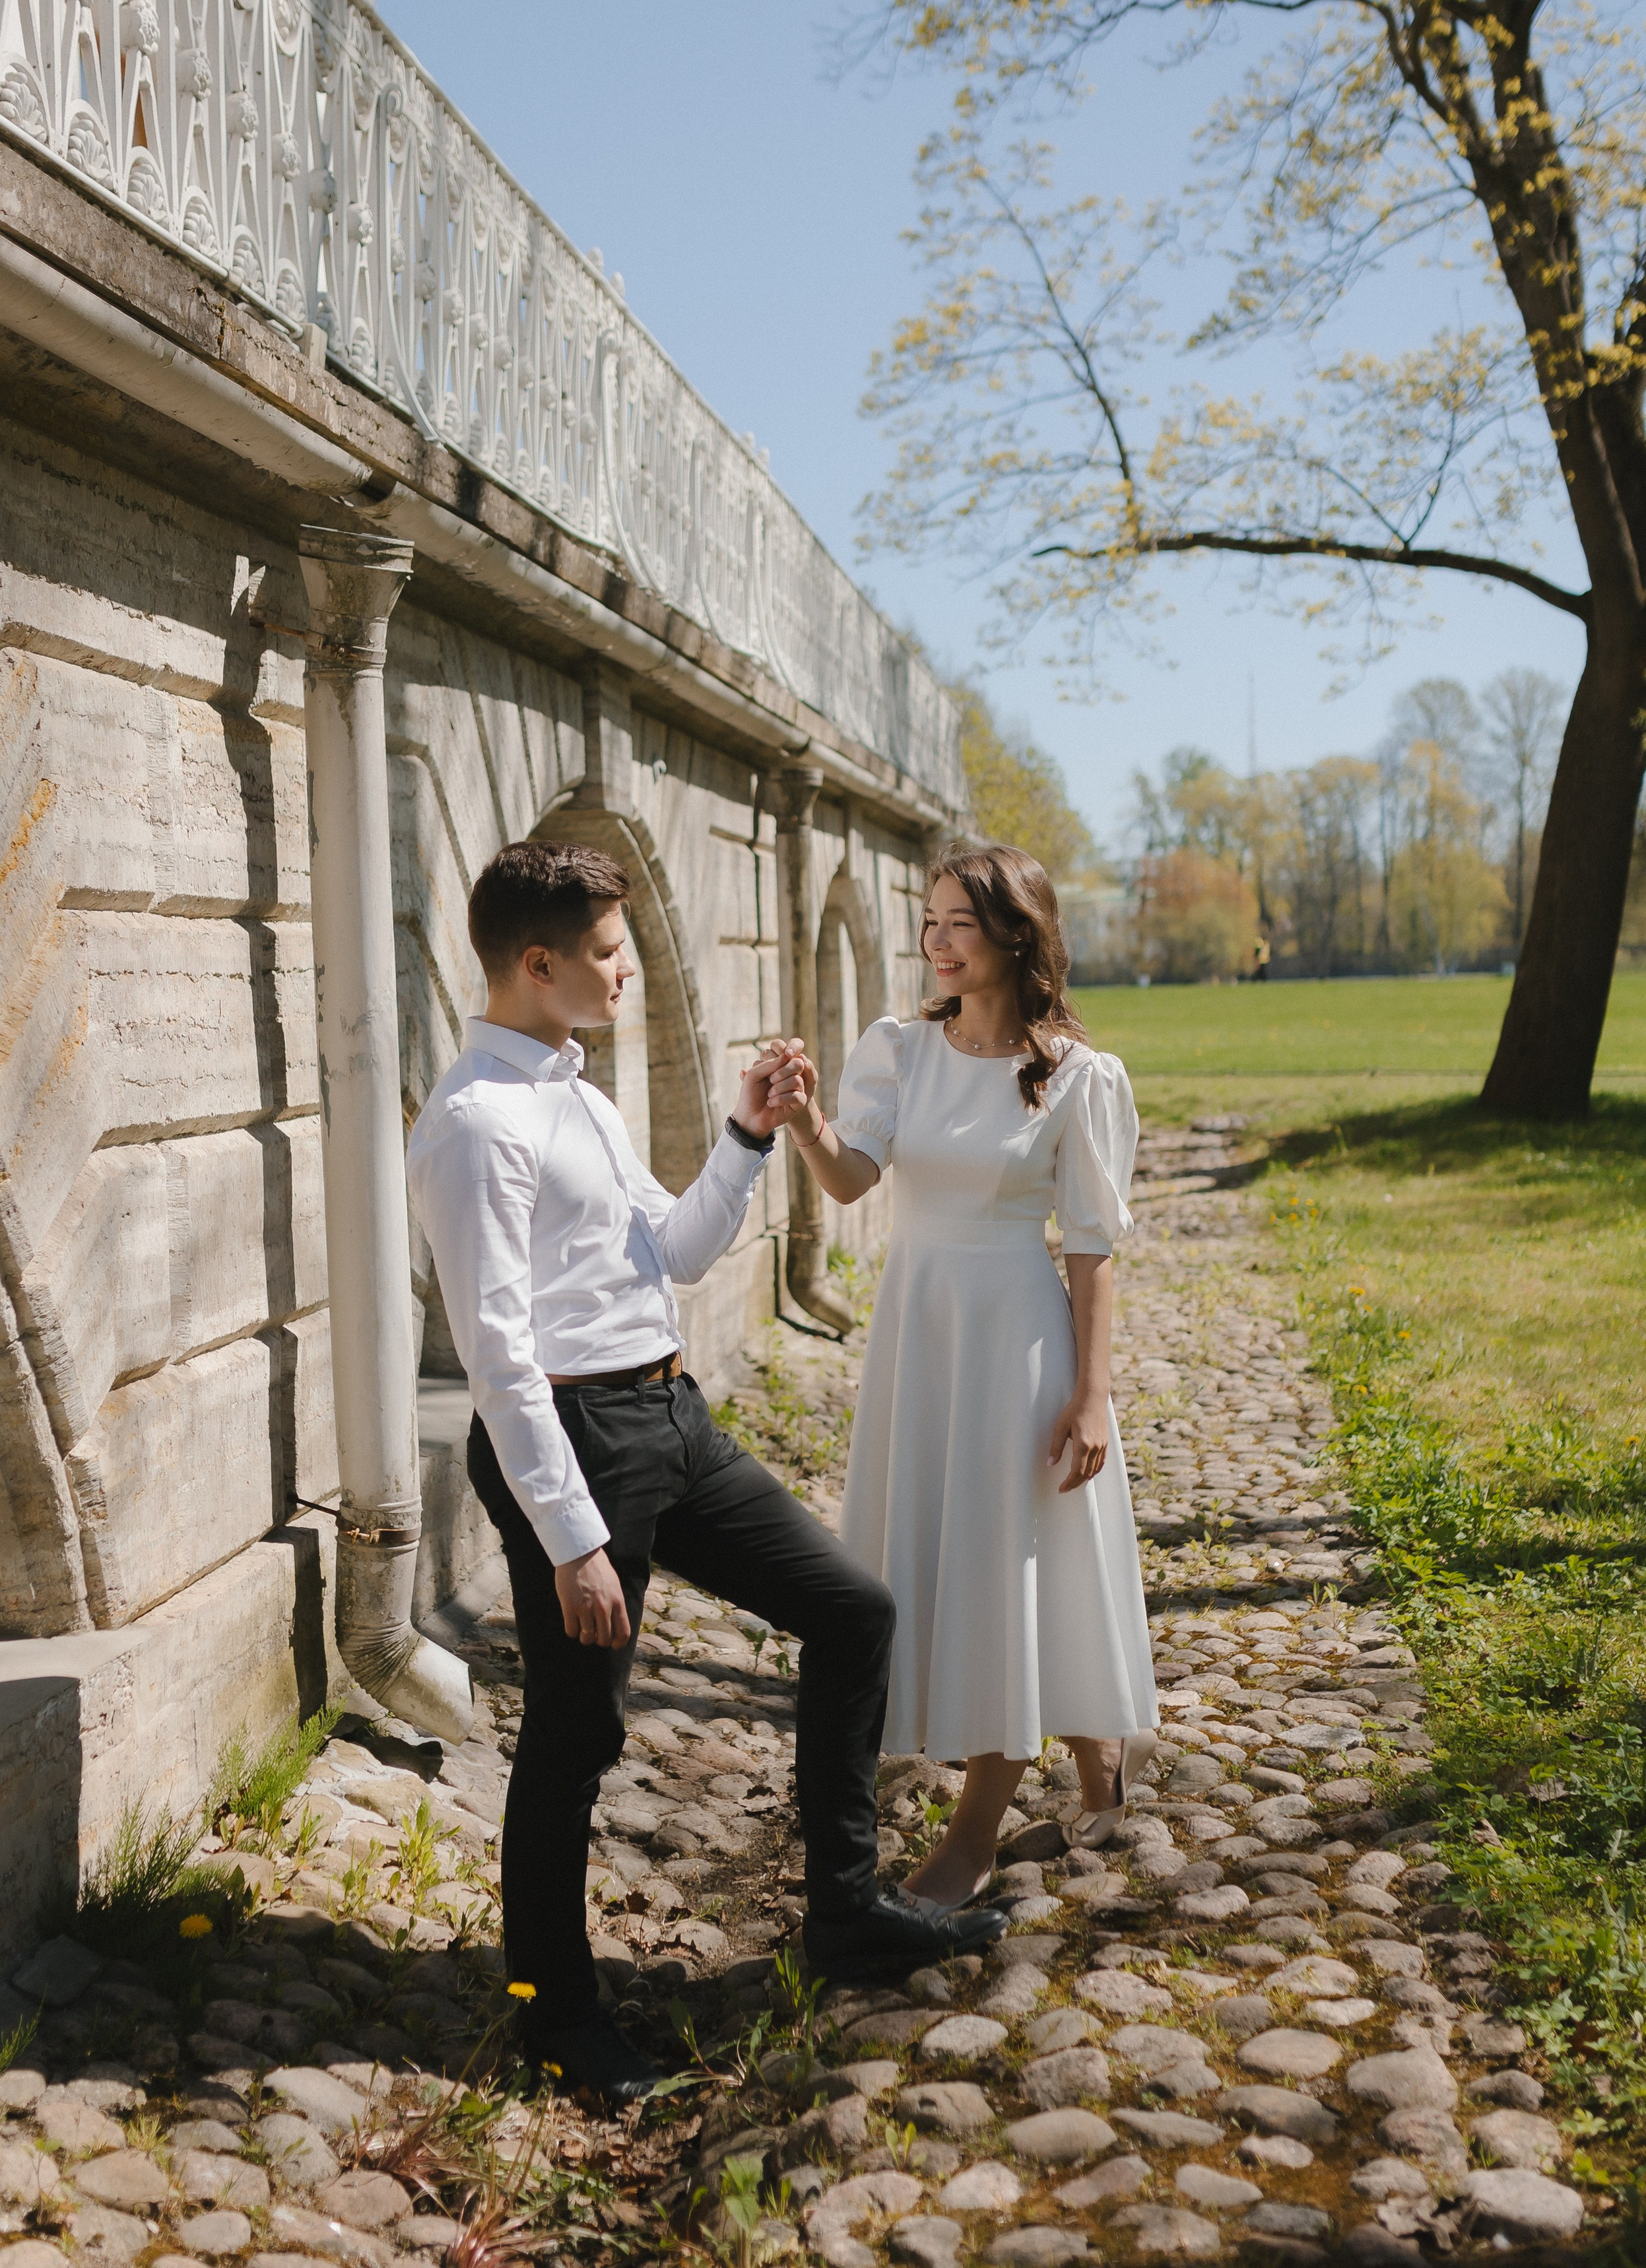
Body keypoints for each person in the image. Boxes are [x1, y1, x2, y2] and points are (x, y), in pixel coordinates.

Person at [407, 840, 1008, 2106]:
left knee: (853, 1610)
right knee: (574, 1738)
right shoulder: (475, 1123)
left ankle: (845, 1911)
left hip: (671, 1419)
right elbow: (498, 1356)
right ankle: (552, 2015)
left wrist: (747, 1130)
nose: (627, 969)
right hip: (575, 1445)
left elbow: (672, 1252)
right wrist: (571, 1539)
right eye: (608, 951)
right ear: (537, 964)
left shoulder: (578, 1095)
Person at [781, 841, 1160, 1911]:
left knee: (1010, 1570)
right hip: (920, 1337)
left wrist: (1092, 1394)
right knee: (978, 1561)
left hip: (1018, 1346)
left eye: (960, 922)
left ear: (1014, 936)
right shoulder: (899, 1050)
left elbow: (1091, 1250)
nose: (936, 940)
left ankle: (975, 1837)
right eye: (930, 919)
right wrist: (806, 1120)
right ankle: (1099, 1755)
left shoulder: (1079, 1078)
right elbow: (851, 1179)